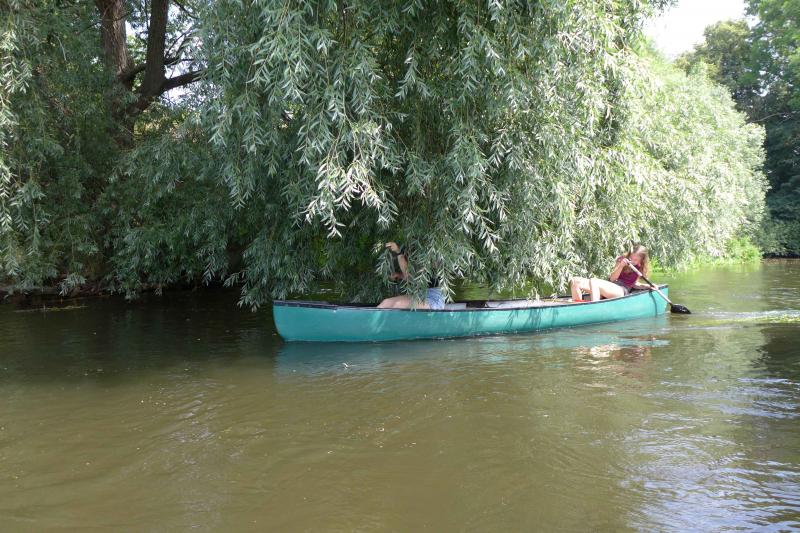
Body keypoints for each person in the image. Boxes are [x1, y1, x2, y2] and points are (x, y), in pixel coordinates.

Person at [570, 245, 654, 302]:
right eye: (631, 258)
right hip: (611, 285)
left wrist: (647, 286)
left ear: (642, 260)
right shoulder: (621, 260)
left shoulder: (641, 267)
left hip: (621, 290)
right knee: (575, 281)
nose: (632, 261)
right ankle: (577, 306)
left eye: (635, 260)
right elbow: (612, 279)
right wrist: (621, 266)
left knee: (593, 281)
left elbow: (634, 284)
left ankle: (595, 307)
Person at [377, 242, 445, 309]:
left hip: (433, 298)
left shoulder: (433, 257)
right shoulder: (419, 259)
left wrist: (398, 252)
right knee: (386, 302)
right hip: (419, 295)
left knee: (398, 304)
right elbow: (416, 278)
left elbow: (408, 275)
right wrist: (399, 275)